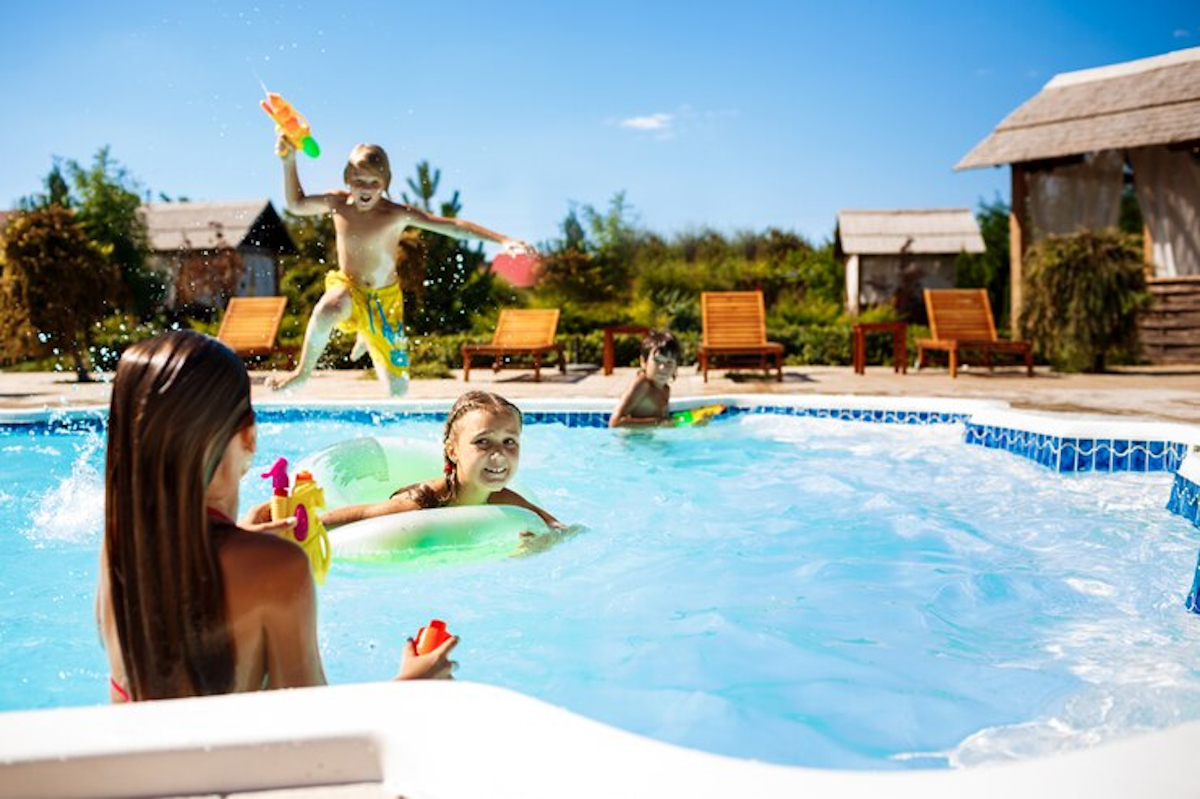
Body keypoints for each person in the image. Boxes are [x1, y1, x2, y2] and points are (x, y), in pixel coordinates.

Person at [96, 330, 455, 702]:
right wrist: (411, 686)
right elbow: (309, 731)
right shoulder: (276, 568)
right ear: (249, 437)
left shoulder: (118, 548)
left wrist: (239, 535)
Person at [265, 140, 534, 396]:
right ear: (348, 178)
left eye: (374, 183)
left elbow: (451, 226)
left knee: (398, 390)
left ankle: (367, 333)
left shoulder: (395, 213)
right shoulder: (337, 204)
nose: (366, 189)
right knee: (328, 308)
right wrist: (288, 162)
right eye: (359, 181)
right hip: (349, 287)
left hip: (384, 303)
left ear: (385, 183)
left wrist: (502, 239)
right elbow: (296, 205)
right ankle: (301, 373)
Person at [322, 391, 563, 531]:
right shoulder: (424, 502)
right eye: (483, 442)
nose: (498, 454)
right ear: (453, 450)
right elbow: (365, 514)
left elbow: (556, 528)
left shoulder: (502, 499)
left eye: (509, 442)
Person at [608, 330, 682, 428]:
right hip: (633, 442)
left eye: (669, 363)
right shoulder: (642, 385)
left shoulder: (666, 390)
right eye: (657, 361)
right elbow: (615, 422)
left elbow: (665, 422)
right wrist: (659, 423)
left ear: (676, 366)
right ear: (643, 362)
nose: (663, 368)